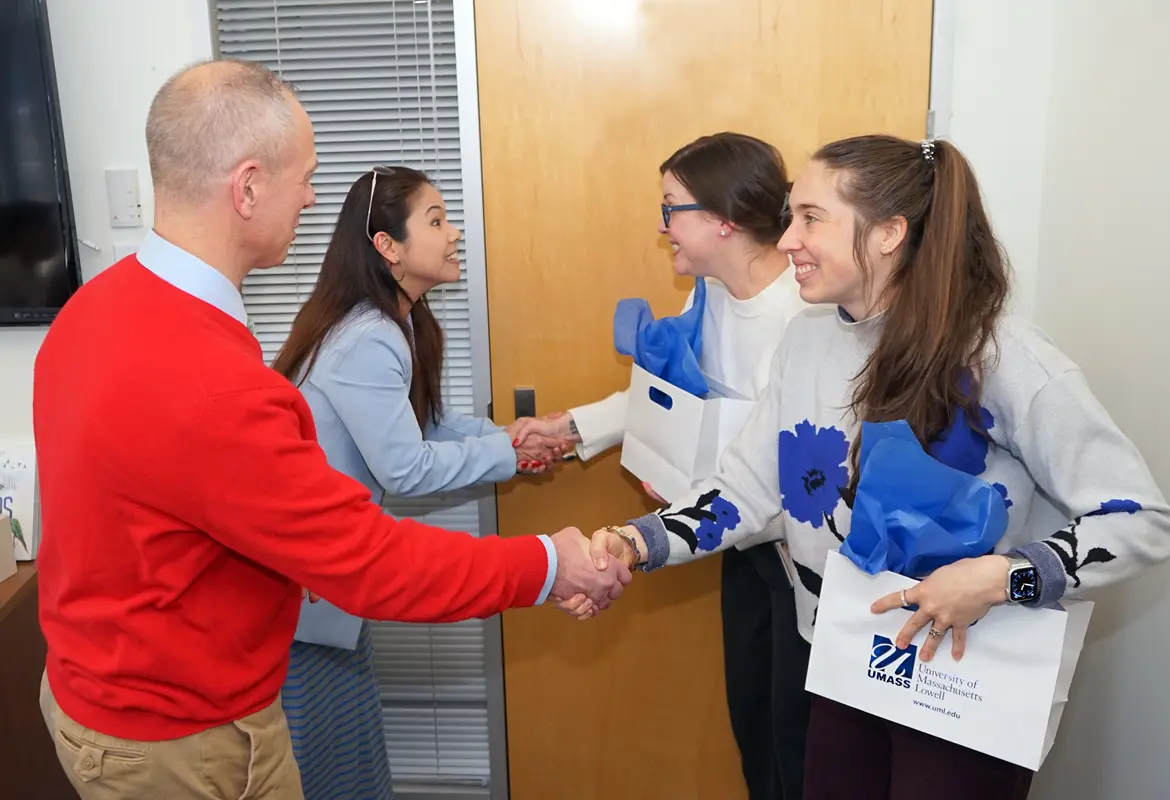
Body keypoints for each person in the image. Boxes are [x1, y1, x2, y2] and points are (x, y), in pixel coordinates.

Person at [32, 59, 628, 800]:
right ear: (247, 187)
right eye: (305, 177)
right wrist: (550, 564)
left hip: (100, 693)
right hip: (179, 738)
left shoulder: (95, 309)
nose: (315, 199)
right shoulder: (212, 383)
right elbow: (371, 563)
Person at [571, 134, 1170, 799]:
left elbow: (1140, 518)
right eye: (790, 216)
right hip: (845, 660)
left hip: (963, 682)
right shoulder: (805, 341)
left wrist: (1004, 576)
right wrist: (639, 541)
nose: (785, 242)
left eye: (811, 218)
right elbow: (745, 489)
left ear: (889, 232)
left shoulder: (1000, 355)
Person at [271, 165, 568, 800]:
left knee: (351, 759)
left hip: (327, 581)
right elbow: (405, 466)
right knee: (326, 769)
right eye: (436, 220)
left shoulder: (396, 321)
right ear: (388, 247)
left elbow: (427, 423)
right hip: (304, 594)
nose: (454, 232)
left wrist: (509, 436)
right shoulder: (367, 336)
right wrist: (511, 455)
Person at [539, 132, 812, 799]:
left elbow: (795, 477)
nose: (663, 229)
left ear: (725, 219)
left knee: (797, 742)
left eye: (672, 209)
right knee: (754, 724)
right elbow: (665, 394)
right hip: (738, 546)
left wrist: (645, 540)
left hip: (803, 561)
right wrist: (571, 428)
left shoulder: (809, 318)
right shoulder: (709, 294)